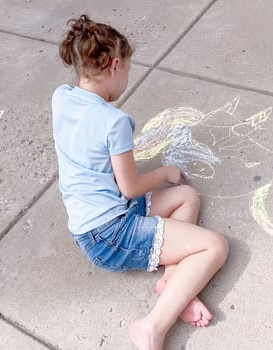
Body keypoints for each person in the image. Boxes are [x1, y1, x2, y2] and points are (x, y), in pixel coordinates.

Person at [52, 14, 229, 350]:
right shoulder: (113, 122)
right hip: (110, 233)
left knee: (186, 196)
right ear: (115, 66)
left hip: (91, 222)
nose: (127, 79)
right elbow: (129, 187)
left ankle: (172, 283)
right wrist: (163, 172)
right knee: (215, 246)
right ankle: (152, 327)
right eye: (129, 71)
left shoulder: (60, 97)